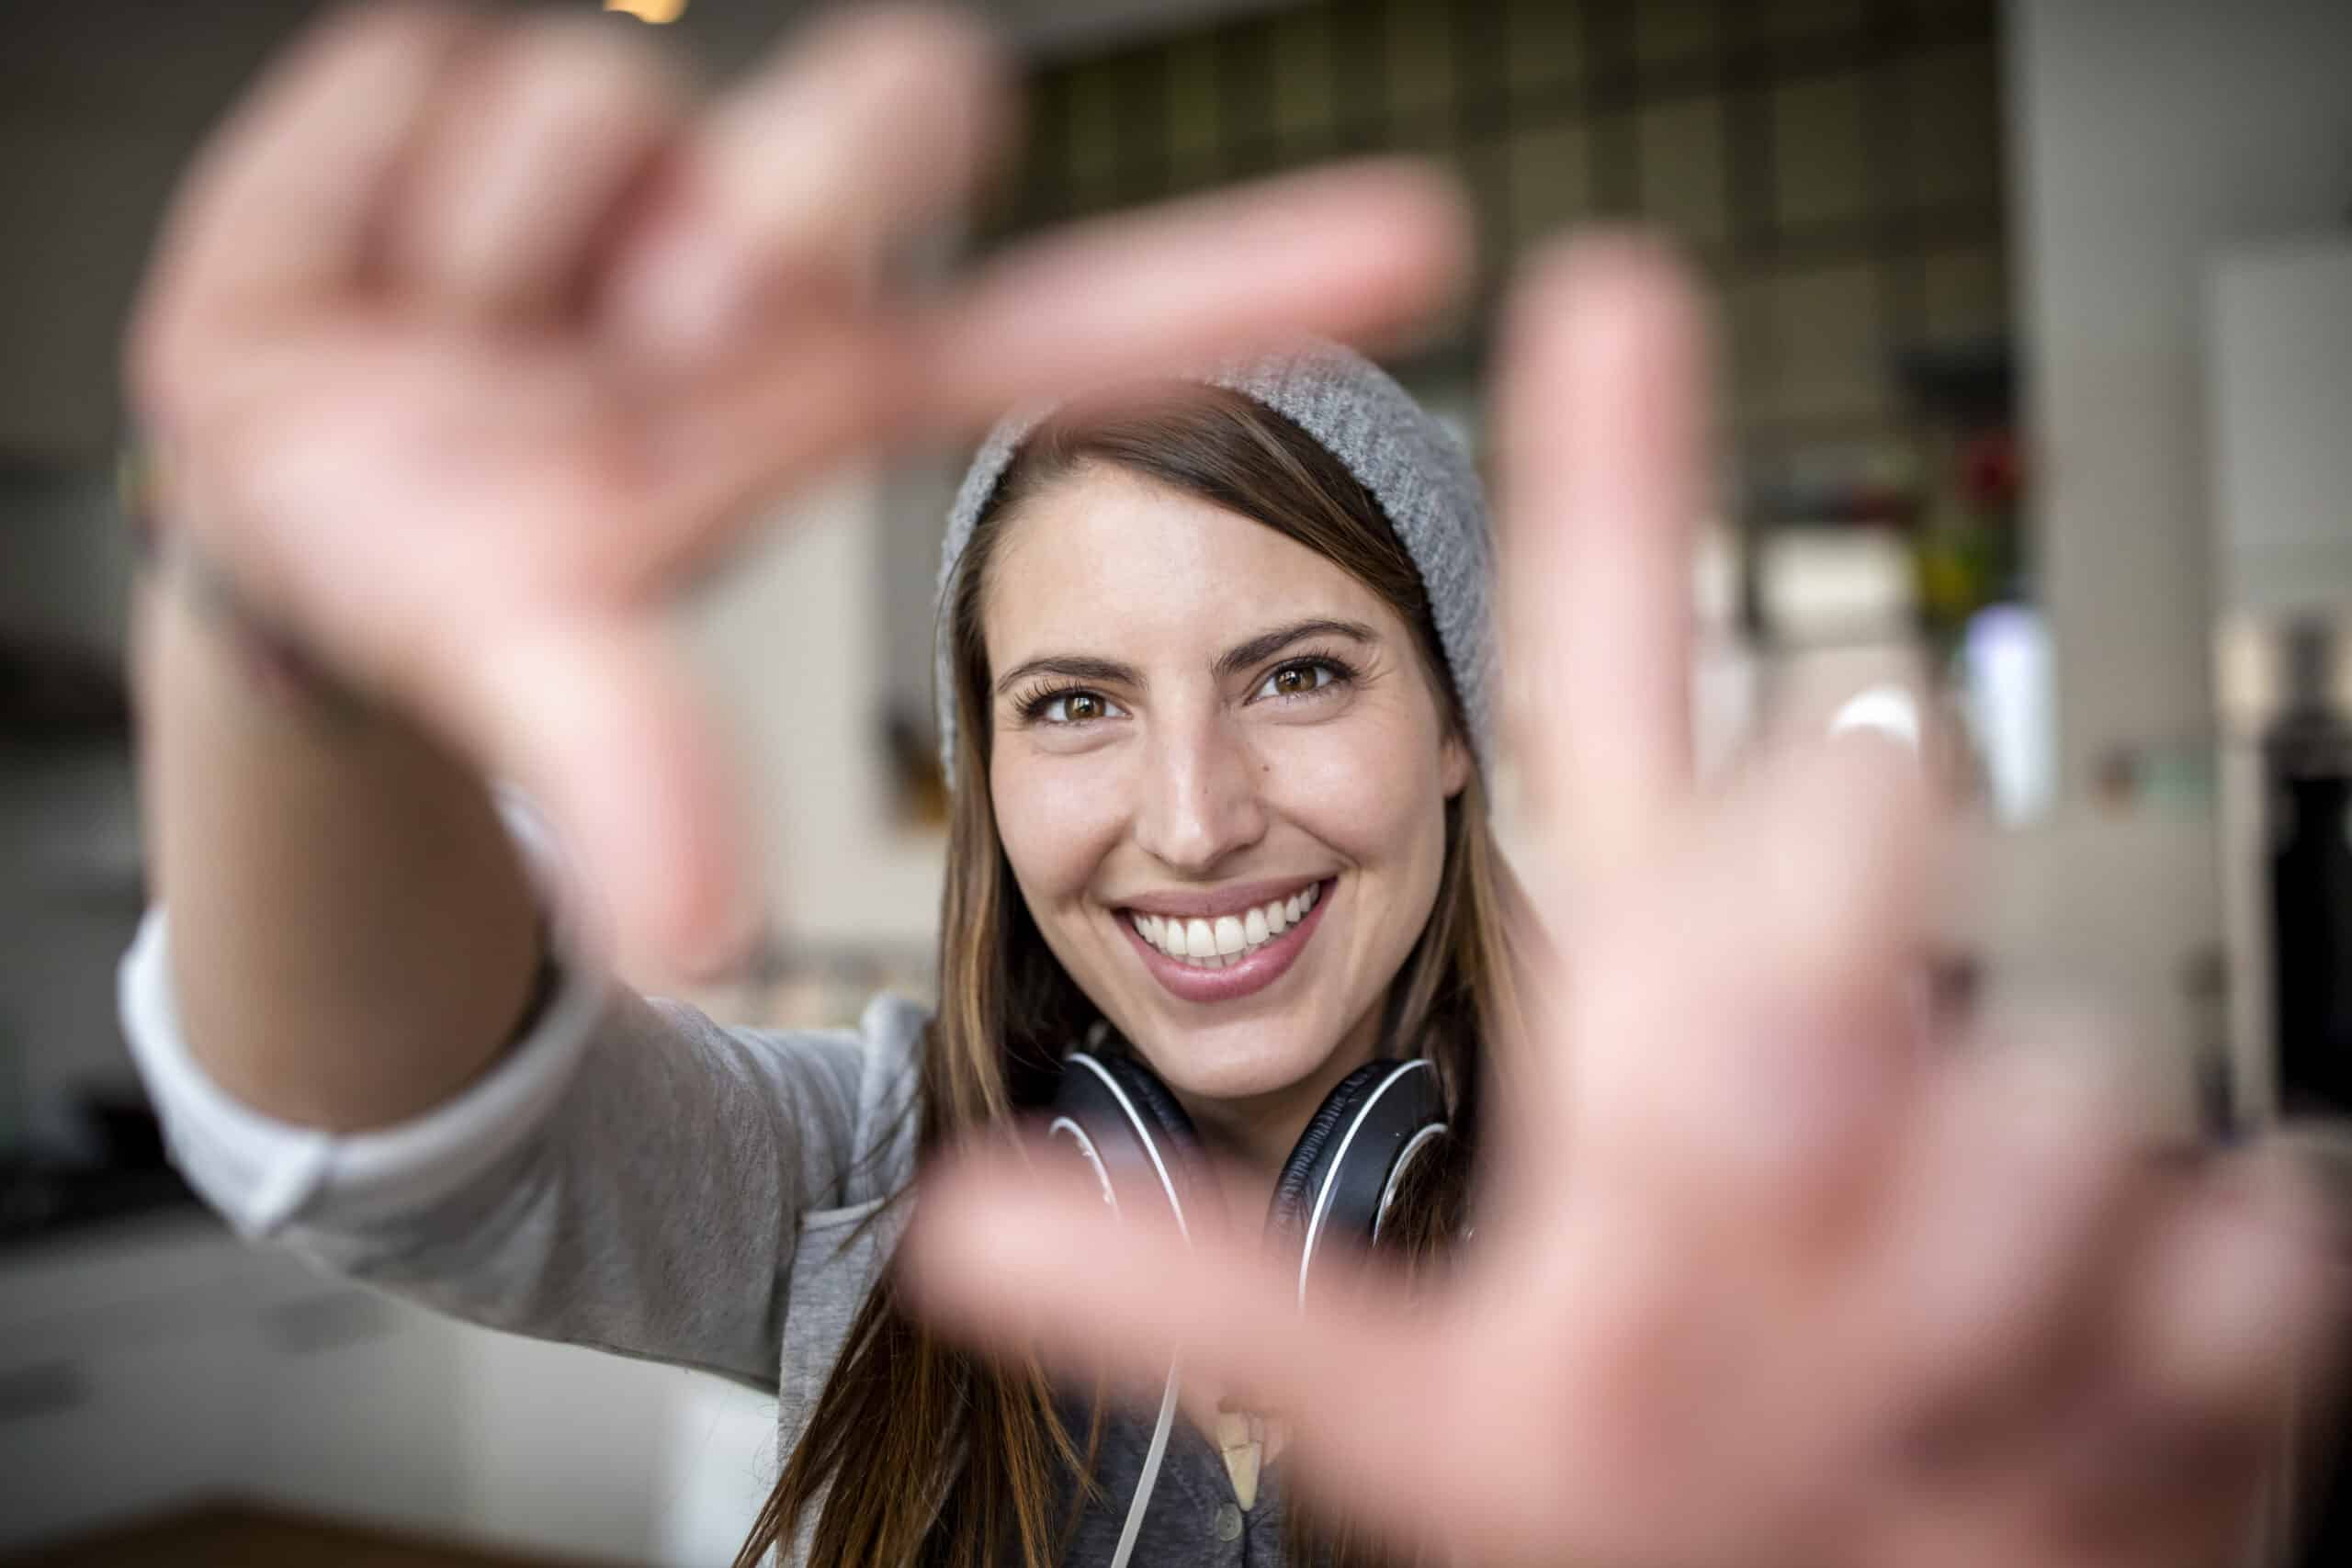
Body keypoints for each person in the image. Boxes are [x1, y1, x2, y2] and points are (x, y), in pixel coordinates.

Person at [116, 6, 2340, 1567]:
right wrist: (289, 624)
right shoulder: (865, 1190)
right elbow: (392, 1141)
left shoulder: (1729, 1267)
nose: (1189, 817)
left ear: (1459, 724)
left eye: (1294, 671)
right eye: (1071, 702)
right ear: (982, 760)